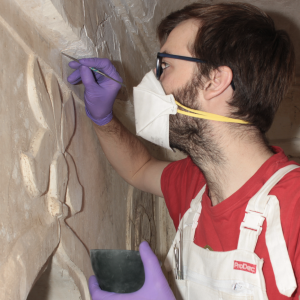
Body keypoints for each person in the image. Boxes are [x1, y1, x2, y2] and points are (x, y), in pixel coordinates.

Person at [67, 2, 300, 300]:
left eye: (164, 65)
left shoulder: (294, 206)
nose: (153, 80)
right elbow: (138, 169)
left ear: (214, 81)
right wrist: (103, 118)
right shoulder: (196, 185)